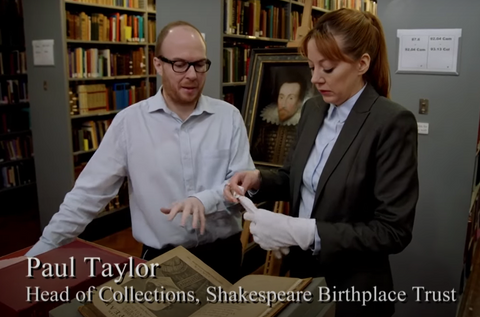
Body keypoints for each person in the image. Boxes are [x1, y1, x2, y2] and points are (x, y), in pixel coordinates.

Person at [15, 21, 255, 283]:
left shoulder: (228, 117)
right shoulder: (129, 124)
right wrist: (41, 251)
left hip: (224, 256)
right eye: (179, 64)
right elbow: (87, 195)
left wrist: (204, 200)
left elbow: (241, 186)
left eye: (199, 64)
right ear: (157, 64)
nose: (192, 75)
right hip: (161, 261)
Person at [225, 8, 418, 317]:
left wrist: (303, 231)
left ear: (362, 64)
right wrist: (258, 179)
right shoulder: (315, 109)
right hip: (304, 274)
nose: (315, 79)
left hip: (355, 289)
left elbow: (392, 231)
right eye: (312, 66)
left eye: (327, 68)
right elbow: (295, 177)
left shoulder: (392, 123)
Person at [252, 73, 308, 165]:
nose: (283, 103)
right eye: (281, 97)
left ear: (299, 102)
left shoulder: (304, 127)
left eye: (290, 98)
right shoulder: (266, 126)